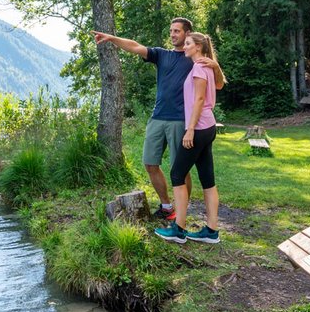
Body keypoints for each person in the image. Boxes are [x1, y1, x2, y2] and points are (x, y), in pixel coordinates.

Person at [93, 19, 221, 219]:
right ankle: (167, 206)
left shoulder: (194, 58)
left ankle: (182, 212)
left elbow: (217, 85)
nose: (172, 34)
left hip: (181, 120)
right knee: (150, 163)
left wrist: (215, 66)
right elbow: (135, 46)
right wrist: (111, 38)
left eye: (177, 31)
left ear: (188, 34)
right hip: (158, 117)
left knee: (180, 168)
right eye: (171, 31)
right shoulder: (162, 54)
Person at [154, 32, 225, 245]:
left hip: (200, 127)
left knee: (177, 173)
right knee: (207, 179)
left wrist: (190, 129)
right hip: (208, 126)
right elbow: (219, 86)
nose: (184, 47)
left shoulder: (199, 68)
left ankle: (179, 229)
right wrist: (216, 65)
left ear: (198, 47)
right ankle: (211, 231)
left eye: (187, 44)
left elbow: (200, 99)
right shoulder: (208, 67)